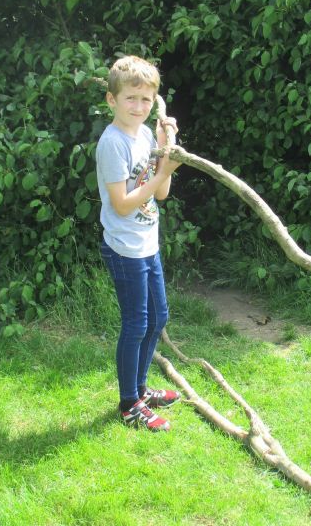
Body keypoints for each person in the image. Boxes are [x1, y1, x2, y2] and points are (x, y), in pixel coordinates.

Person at [95, 55, 182, 432]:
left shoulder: (145, 135)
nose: (139, 106)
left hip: (147, 243)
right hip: (124, 248)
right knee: (136, 324)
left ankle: (141, 390)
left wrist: (164, 146)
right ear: (112, 99)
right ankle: (129, 403)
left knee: (158, 318)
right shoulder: (112, 144)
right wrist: (164, 171)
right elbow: (122, 204)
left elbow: (160, 193)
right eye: (131, 98)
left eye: (146, 99)